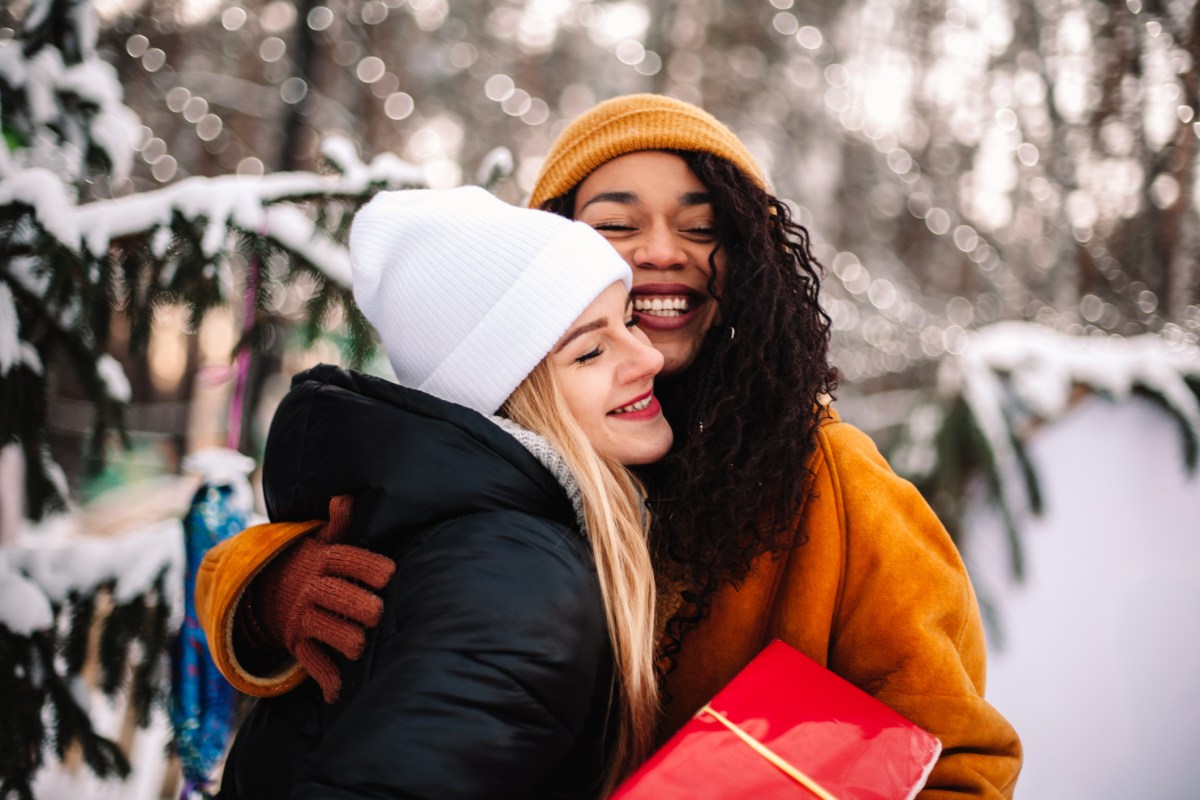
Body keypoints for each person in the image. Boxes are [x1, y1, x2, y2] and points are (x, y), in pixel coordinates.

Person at [201, 95, 1023, 798]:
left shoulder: (830, 477)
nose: (662, 250)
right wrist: (272, 593)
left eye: (702, 228)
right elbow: (394, 519)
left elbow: (961, 761)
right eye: (618, 223)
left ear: (750, 262)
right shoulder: (512, 442)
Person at [196, 185, 674, 799]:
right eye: (590, 352)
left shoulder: (481, 535)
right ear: (512, 399)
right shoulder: (518, 574)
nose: (650, 357)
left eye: (630, 320)